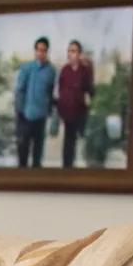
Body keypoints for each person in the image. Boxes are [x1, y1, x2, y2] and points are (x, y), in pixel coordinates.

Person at [14, 36, 56, 168]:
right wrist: (20, 112)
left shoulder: (51, 70)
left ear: (47, 52)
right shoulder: (27, 68)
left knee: (37, 155)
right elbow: (20, 90)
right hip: (26, 116)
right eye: (38, 50)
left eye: (43, 50)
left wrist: (49, 111)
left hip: (41, 117)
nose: (40, 53)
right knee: (23, 152)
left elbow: (50, 92)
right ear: (35, 51)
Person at [55, 38, 95, 168]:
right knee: (68, 141)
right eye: (70, 51)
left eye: (74, 51)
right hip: (67, 111)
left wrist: (91, 101)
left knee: (80, 139)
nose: (72, 54)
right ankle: (67, 166)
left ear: (79, 53)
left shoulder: (85, 70)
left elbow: (89, 89)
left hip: (80, 111)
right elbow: (60, 89)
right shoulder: (65, 70)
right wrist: (60, 108)